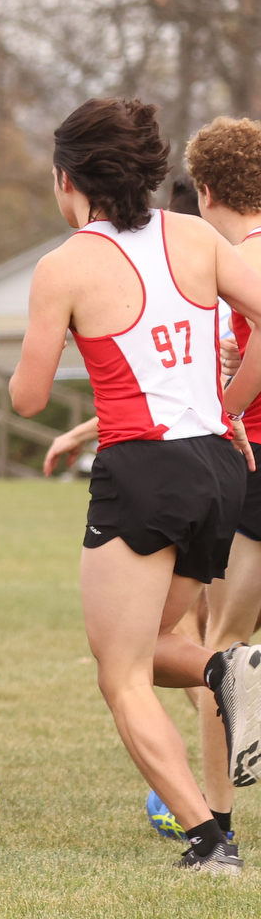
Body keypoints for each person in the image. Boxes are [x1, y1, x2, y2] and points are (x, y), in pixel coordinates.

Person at [11, 98, 261, 872]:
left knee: (119, 675)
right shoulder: (194, 235)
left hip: (143, 469)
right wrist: (232, 406)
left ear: (68, 179)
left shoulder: (63, 266)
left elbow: (24, 397)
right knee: (156, 647)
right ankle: (233, 669)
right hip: (219, 467)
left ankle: (209, 840)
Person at [179, 118, 261, 836]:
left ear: (206, 190)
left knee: (223, 650)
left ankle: (217, 823)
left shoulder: (242, 259)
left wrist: (230, 409)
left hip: (255, 468)